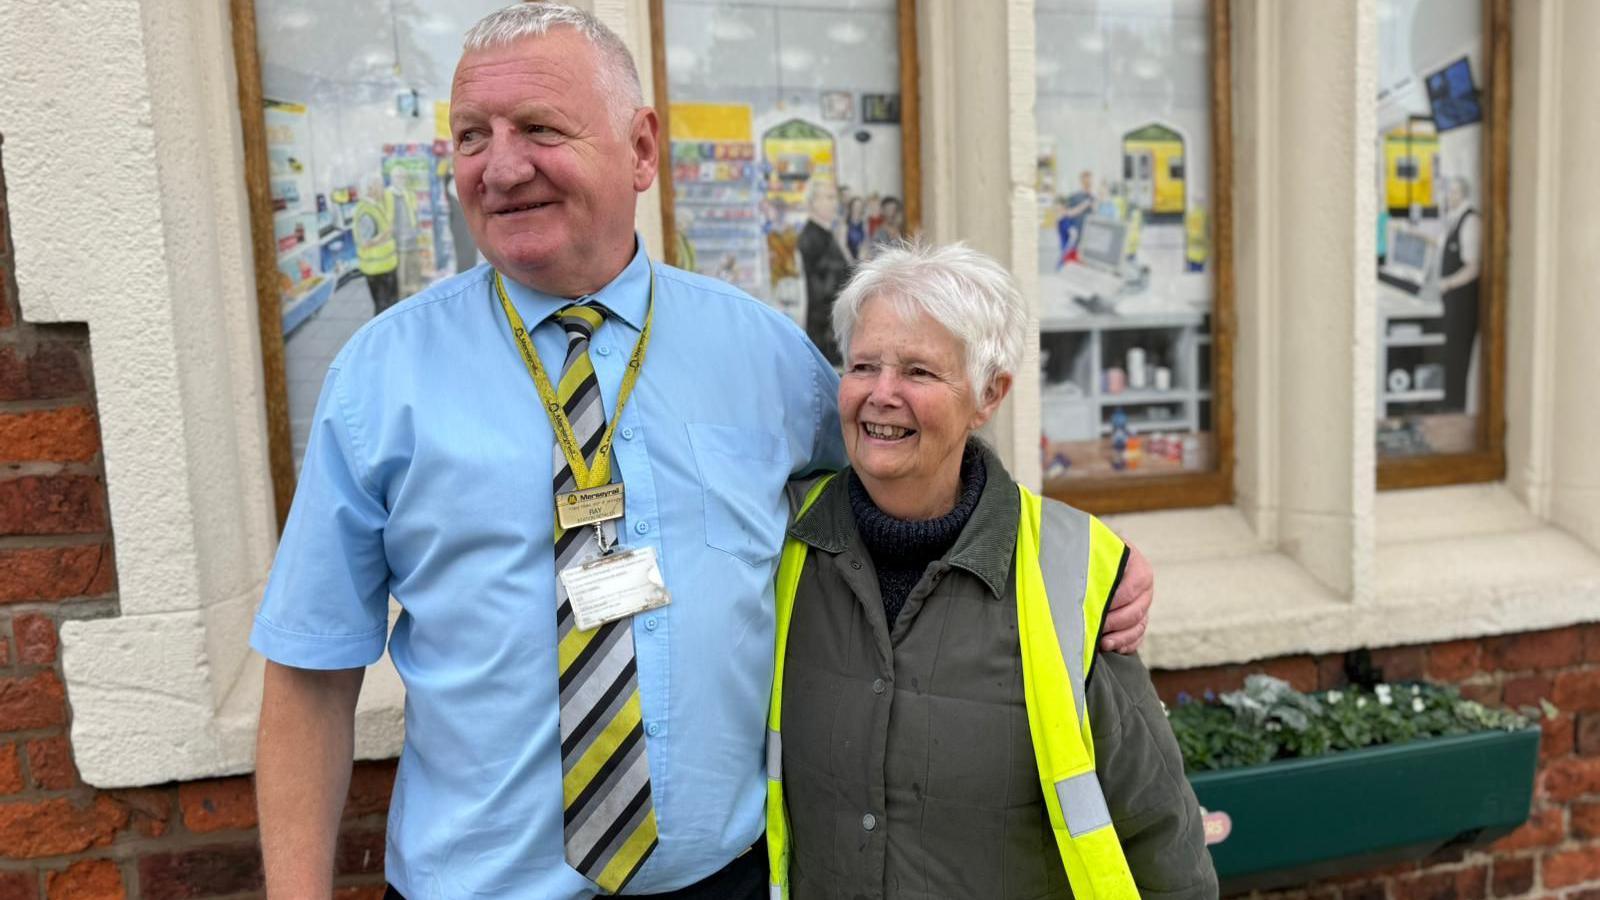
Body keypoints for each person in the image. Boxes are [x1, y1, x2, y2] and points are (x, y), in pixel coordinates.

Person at [251, 6, 1156, 899]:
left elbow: (912, 491)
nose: (501, 166)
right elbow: (309, 671)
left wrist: (1071, 565)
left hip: (724, 881)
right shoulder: (381, 378)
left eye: (538, 128)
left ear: (642, 148)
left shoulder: (763, 357)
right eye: (470, 136)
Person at [765, 243, 1215, 899]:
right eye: (863, 365)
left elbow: (1157, 829)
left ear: (988, 395)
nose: (881, 394)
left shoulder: (1070, 571)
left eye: (918, 371)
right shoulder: (781, 545)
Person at [1434, 176, 1481, 412]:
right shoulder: (1454, 219)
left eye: (1453, 193)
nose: (1449, 197)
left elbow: (1474, 266)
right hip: (1452, 301)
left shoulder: (1470, 221)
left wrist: (1448, 283)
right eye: (1448, 193)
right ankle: (1450, 410)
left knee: (1457, 360)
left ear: (1463, 194)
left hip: (1464, 303)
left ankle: (1454, 413)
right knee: (1451, 359)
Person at [797, 178, 852, 365]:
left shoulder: (827, 235)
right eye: (828, 198)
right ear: (813, 202)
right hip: (823, 329)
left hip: (831, 326)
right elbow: (829, 285)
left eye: (834, 198)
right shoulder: (812, 238)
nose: (834, 203)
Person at [352, 175, 417, 316]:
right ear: (370, 189)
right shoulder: (366, 211)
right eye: (379, 186)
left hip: (384, 267)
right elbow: (365, 243)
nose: (382, 189)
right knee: (384, 309)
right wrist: (386, 235)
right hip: (377, 270)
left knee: (389, 306)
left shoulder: (375, 205)